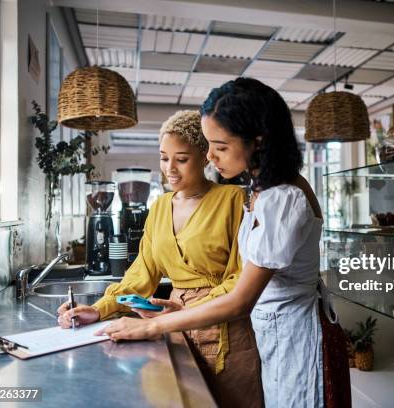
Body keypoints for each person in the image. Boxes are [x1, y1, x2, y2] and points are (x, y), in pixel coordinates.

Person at [94, 78, 327, 407]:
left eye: (220, 147)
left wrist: (152, 327)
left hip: (293, 342)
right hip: (271, 336)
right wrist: (177, 307)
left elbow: (238, 302)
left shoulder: (284, 197)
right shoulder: (264, 190)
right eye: (208, 146)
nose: (212, 158)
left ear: (257, 141)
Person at [58, 110, 263, 408]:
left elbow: (239, 278)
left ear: (205, 156)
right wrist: (99, 309)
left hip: (226, 333)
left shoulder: (233, 200)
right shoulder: (160, 207)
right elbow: (141, 275)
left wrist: (186, 310)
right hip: (174, 331)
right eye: (164, 158)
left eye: (181, 159)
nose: (170, 169)